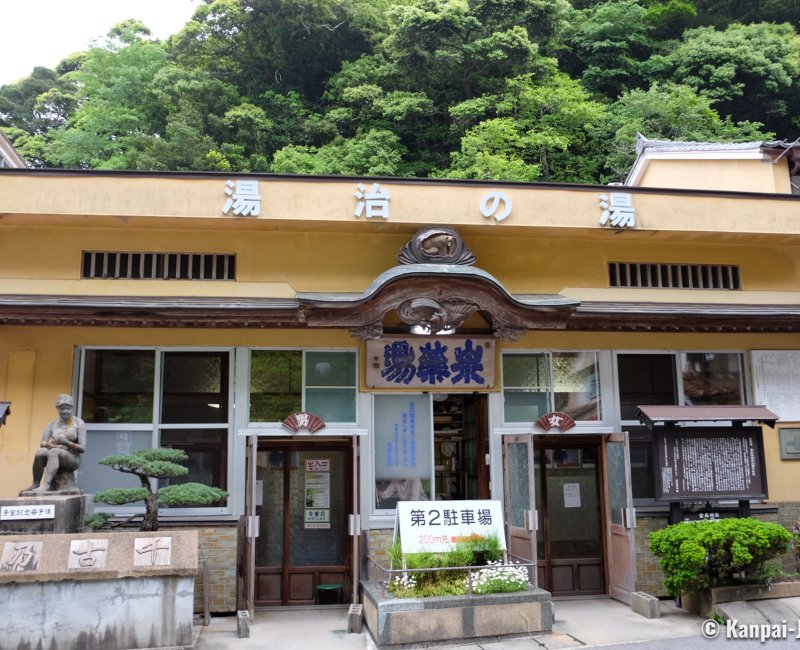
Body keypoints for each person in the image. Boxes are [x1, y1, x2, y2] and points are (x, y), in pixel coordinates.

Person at [20, 394, 86, 495]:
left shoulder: (78, 423)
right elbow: (43, 443)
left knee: (54, 452)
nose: (64, 411)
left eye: (67, 409)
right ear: (57, 409)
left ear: (72, 408)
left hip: (72, 458)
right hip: (55, 451)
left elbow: (82, 448)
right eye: (61, 409)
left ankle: (46, 485)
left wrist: (66, 442)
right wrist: (55, 446)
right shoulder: (51, 424)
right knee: (40, 452)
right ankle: (35, 483)